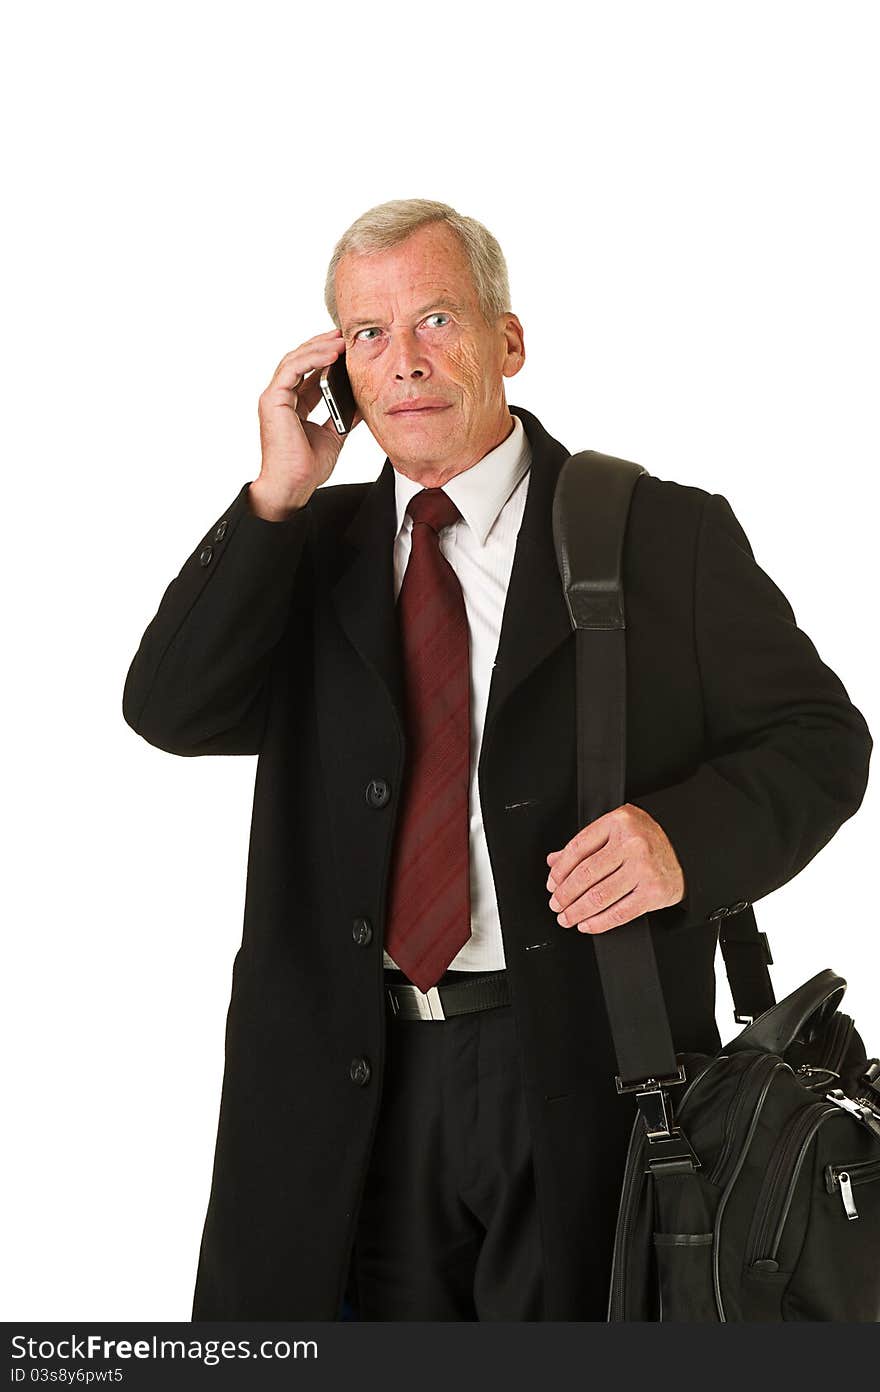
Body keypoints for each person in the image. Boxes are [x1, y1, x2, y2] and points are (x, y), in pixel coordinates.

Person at [122, 197, 872, 1322]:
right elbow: (171, 709)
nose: (405, 361)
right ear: (336, 371)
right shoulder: (305, 551)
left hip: (582, 1073)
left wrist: (683, 841)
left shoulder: (659, 533)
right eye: (367, 335)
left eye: (435, 318)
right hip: (341, 1085)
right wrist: (276, 492)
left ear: (506, 342)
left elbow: (822, 741)